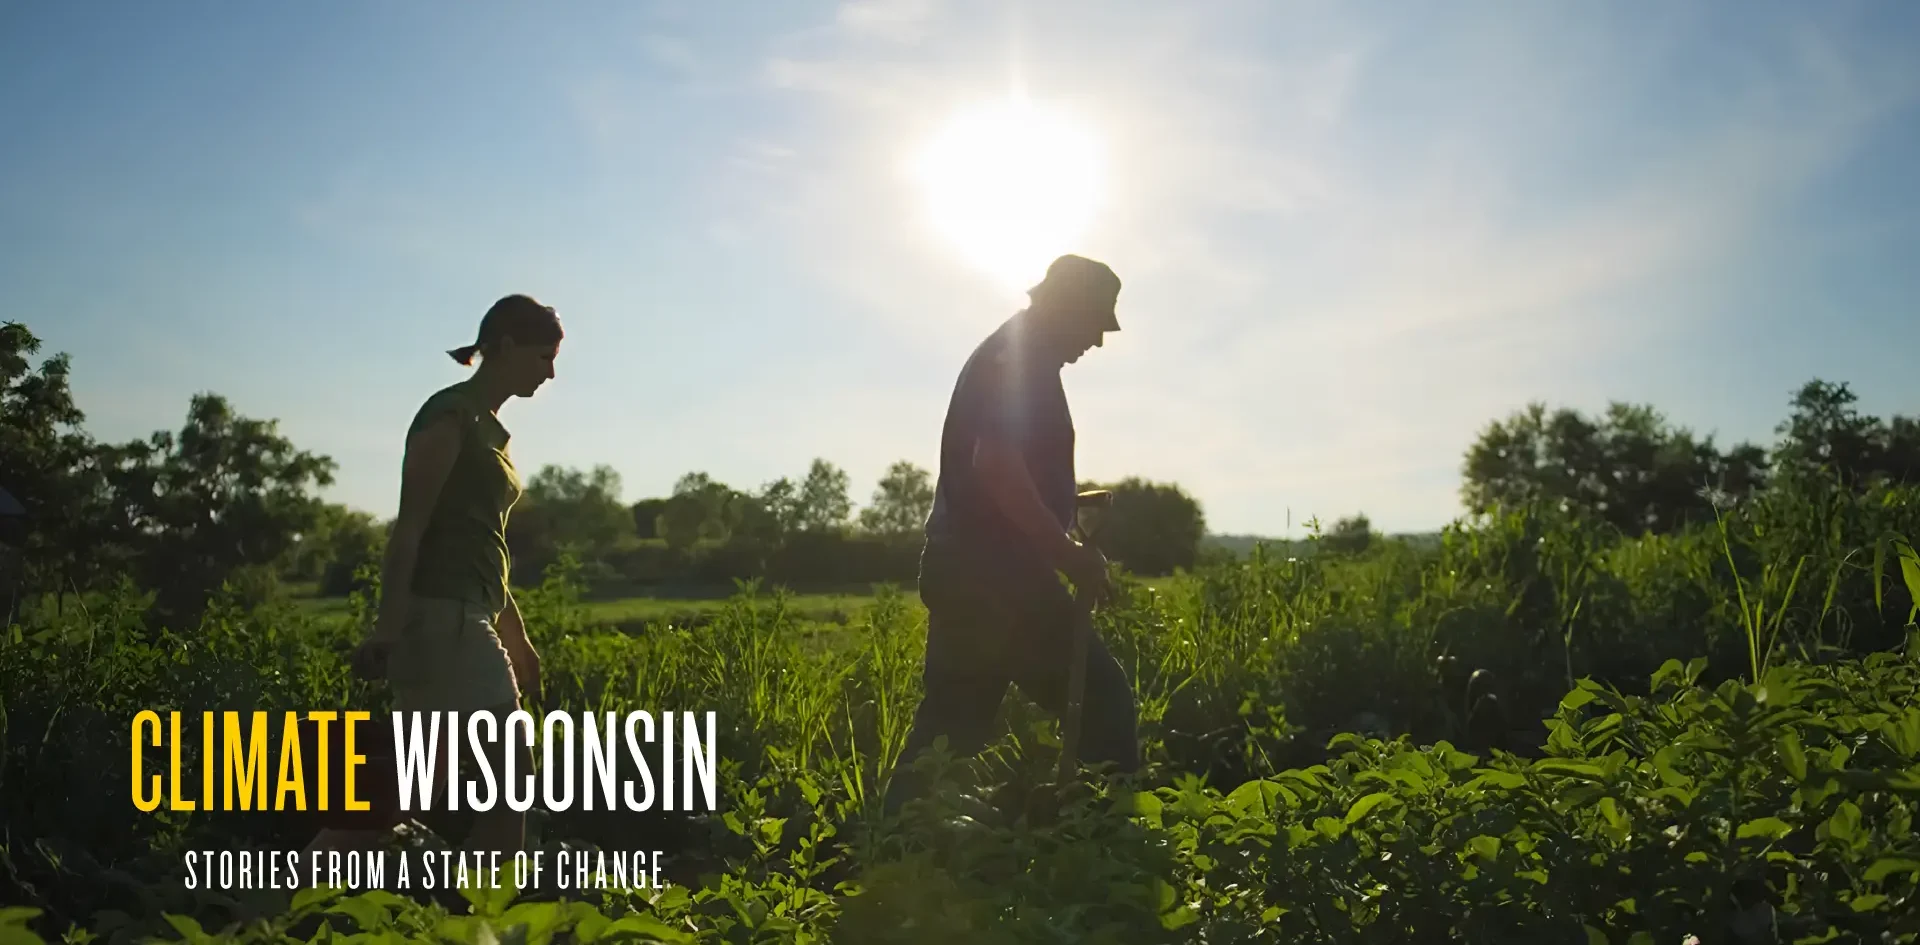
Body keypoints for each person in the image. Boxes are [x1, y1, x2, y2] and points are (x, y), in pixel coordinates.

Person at [882, 254, 1141, 817]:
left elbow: (1003, 473)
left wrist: (1059, 504)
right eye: (1096, 321)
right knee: (1105, 703)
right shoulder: (1018, 360)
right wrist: (1067, 555)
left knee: (949, 730)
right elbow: (996, 464)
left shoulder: (1016, 357)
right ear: (1066, 307)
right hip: (997, 578)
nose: (1098, 340)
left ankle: (889, 852)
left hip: (967, 570)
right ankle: (1105, 844)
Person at [329, 293, 562, 870]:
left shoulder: (492, 433)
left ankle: (273, 910)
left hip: (468, 615)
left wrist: (517, 635)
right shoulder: (449, 416)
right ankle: (473, 921)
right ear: (504, 346)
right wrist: (388, 630)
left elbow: (484, 550)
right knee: (512, 781)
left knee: (412, 795)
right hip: (441, 621)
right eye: (543, 356)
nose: (551, 372)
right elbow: (410, 529)